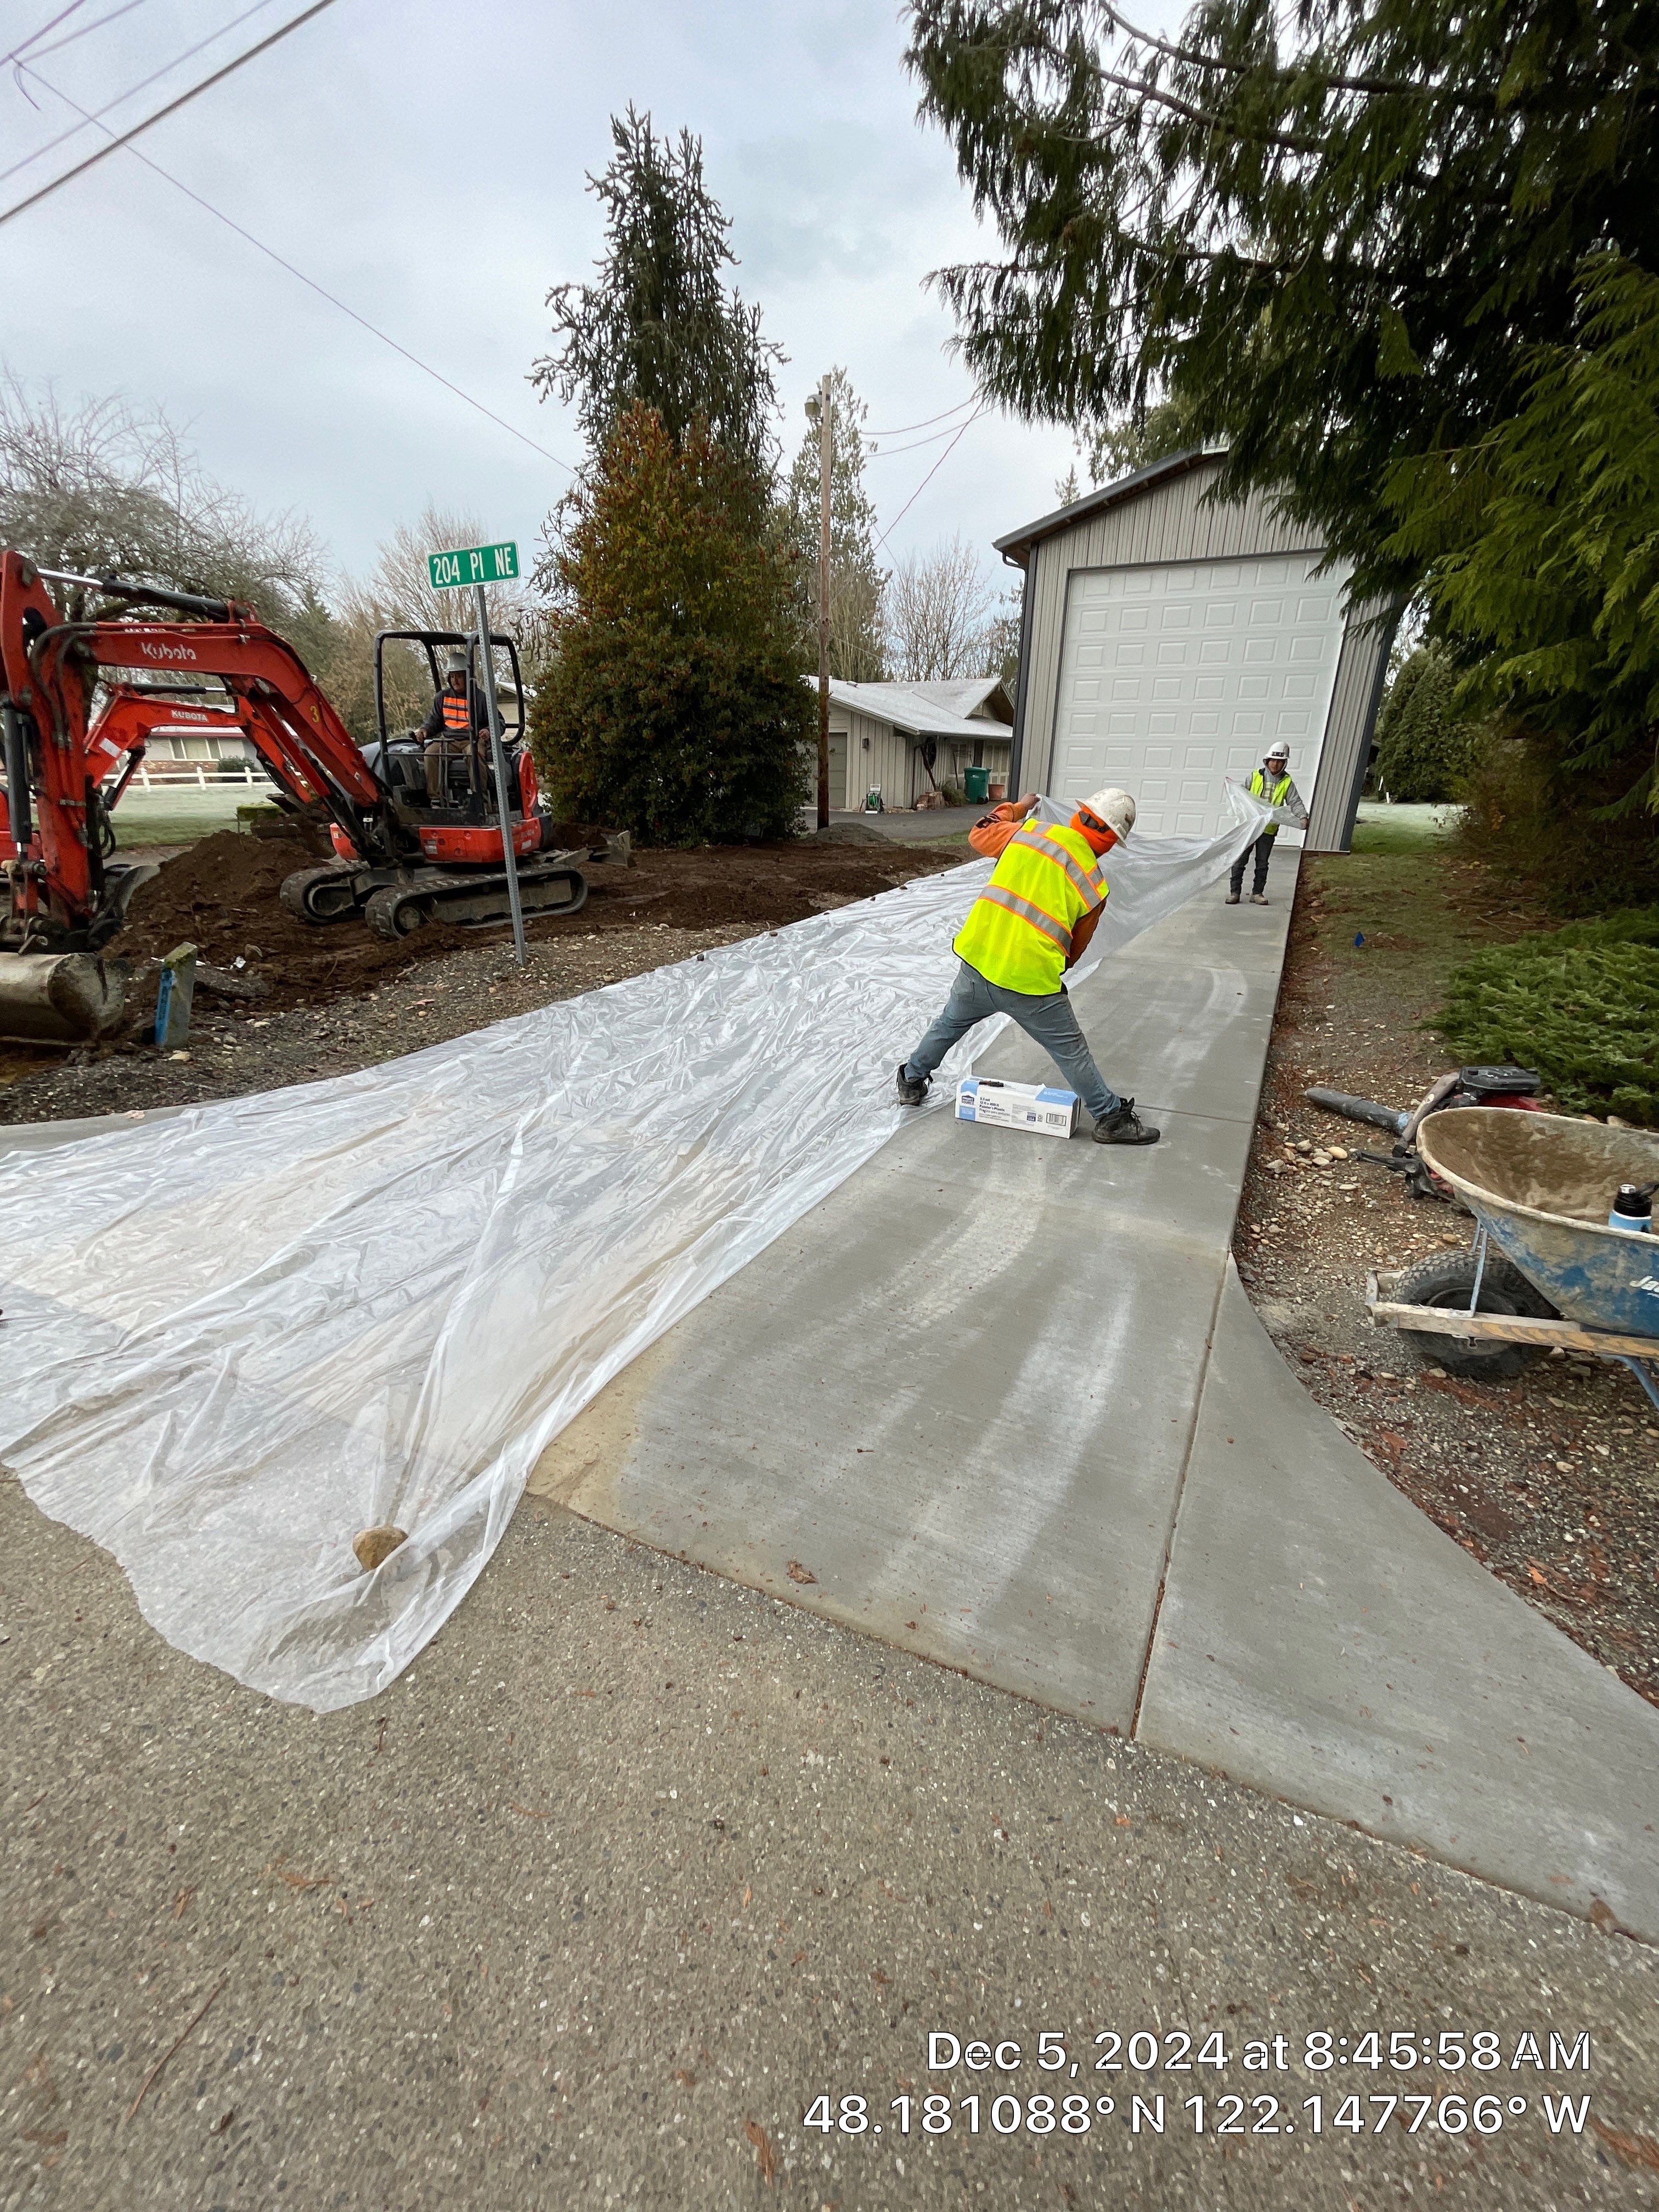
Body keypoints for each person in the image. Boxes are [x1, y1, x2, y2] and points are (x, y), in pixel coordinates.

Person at [894, 787, 1160, 1146]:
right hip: (1030, 984)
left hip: (977, 964)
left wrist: (1019, 807)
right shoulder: (1094, 886)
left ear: (1080, 815)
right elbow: (1073, 953)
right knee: (1071, 1052)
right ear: (1111, 841)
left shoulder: (1028, 833)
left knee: (949, 1024)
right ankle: (1110, 1118)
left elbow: (980, 832)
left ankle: (911, 1081)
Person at [1227, 740, 1308, 905]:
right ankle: (1235, 892)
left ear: (1284, 763)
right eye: (1273, 760)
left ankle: (1257, 893)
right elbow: (1242, 795)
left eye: (1280, 761)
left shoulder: (1286, 783)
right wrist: (1234, 790)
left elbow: (1295, 802)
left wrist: (1303, 816)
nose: (1275, 764)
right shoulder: (1255, 776)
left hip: (1268, 830)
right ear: (1267, 760)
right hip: (1250, 827)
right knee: (1240, 860)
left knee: (1262, 863)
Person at [420, 649, 489, 807]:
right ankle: (437, 799)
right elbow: (434, 720)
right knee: (431, 753)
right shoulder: (442, 697)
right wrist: (425, 730)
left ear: (467, 676)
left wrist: (488, 731)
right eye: (452, 676)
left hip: (472, 740)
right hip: (448, 741)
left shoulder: (480, 698)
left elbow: (497, 722)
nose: (455, 681)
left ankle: (480, 799)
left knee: (474, 754)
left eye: (459, 676)